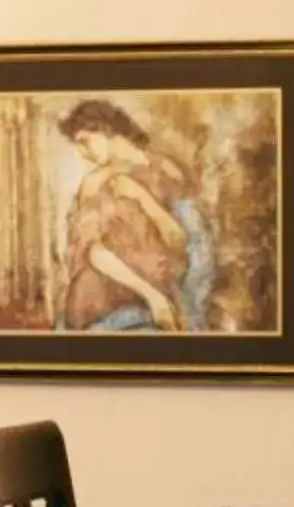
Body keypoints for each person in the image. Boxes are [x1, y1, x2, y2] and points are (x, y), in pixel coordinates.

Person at [57, 99, 213, 332]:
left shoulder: (164, 171)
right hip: (106, 303)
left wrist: (142, 197)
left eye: (84, 142)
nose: (83, 154)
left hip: (160, 297)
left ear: (105, 130)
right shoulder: (96, 183)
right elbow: (93, 252)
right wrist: (152, 296)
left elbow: (180, 241)